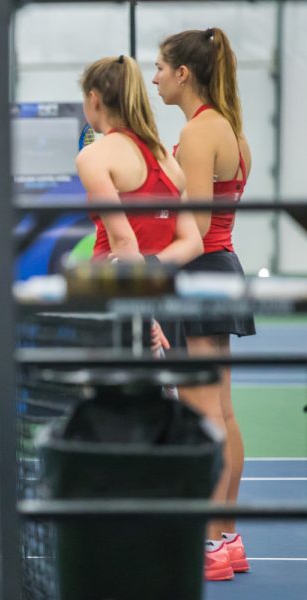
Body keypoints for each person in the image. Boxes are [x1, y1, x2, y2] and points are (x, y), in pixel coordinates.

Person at [154, 27, 256, 581]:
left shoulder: (198, 135)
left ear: (184, 74)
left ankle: (211, 542)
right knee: (223, 410)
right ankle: (228, 539)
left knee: (203, 414)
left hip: (200, 274)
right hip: (224, 270)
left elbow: (191, 229)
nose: (155, 78)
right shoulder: (233, 132)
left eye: (161, 68)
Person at [77, 55, 202, 268]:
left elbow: (123, 241)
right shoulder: (164, 156)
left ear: (93, 98)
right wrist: (148, 265)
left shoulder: (93, 156)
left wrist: (135, 268)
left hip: (112, 286)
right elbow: (193, 243)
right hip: (157, 288)